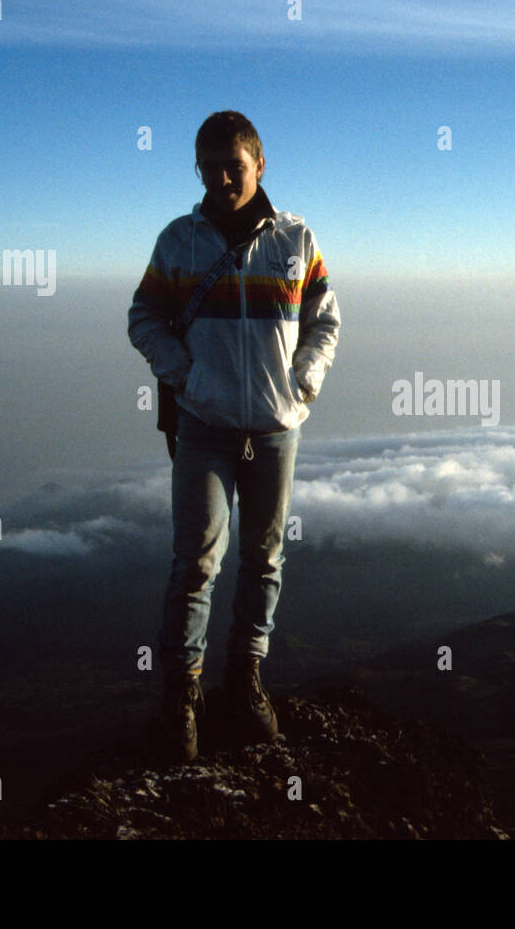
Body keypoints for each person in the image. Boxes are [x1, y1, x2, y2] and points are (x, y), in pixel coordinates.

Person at [127, 110, 340, 760]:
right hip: (207, 427)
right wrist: (182, 374)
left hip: (275, 429)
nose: (220, 179)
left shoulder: (296, 241)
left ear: (260, 164)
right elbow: (145, 317)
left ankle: (245, 679)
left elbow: (324, 320)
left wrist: (304, 381)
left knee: (264, 559)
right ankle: (181, 700)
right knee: (196, 561)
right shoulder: (179, 243)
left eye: (233, 167)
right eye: (208, 167)